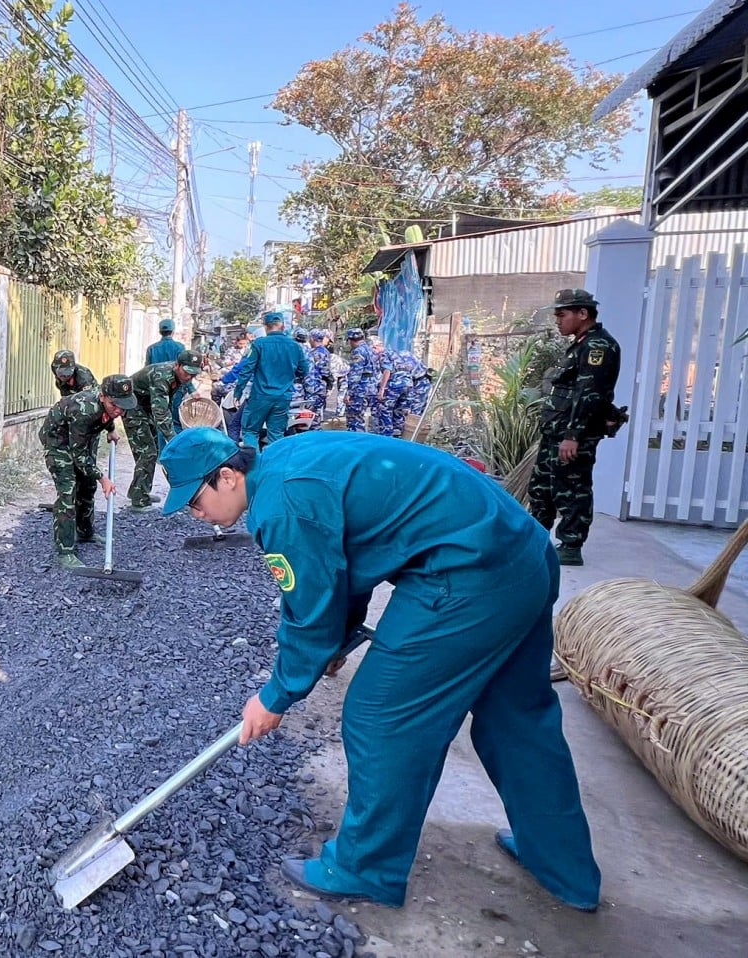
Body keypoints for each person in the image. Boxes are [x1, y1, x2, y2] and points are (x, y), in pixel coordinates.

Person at [157, 427, 601, 913]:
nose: (195, 515)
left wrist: (277, 694)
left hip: (467, 574)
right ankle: (563, 865)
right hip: (520, 552)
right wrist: (338, 639)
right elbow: (349, 562)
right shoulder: (285, 458)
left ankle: (367, 868)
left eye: (195, 501)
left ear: (226, 476)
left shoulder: (281, 505)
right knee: (517, 718)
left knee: (381, 716)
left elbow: (310, 607)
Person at [528, 288, 621, 567]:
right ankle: (534, 538)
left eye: (562, 314)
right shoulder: (580, 344)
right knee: (541, 486)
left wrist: (573, 436)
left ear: (583, 314)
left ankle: (570, 545)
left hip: (572, 436)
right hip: (556, 432)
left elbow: (588, 394)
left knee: (571, 488)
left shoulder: (597, 347)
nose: (558, 320)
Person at [39, 375, 137, 567]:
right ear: (102, 396)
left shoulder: (106, 405)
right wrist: (103, 478)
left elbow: (106, 415)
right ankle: (64, 551)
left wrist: (110, 429)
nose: (119, 410)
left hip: (78, 439)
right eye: (114, 405)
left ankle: (85, 532)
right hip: (58, 442)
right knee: (68, 492)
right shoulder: (84, 411)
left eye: (123, 406)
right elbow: (78, 455)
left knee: (87, 486)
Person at [123, 350, 202, 510]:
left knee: (153, 450)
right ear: (177, 366)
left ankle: (140, 491)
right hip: (132, 407)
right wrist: (174, 439)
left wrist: (192, 390)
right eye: (186, 373)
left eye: (192, 375)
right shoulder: (161, 376)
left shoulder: (181, 376)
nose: (188, 377)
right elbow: (161, 412)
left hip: (145, 408)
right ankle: (138, 501)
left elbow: (167, 404)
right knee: (147, 453)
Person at [232, 312, 310, 450]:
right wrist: (288, 375)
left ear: (266, 327)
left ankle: (254, 467)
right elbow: (304, 370)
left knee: (250, 432)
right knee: (276, 434)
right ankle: (274, 468)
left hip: (260, 397)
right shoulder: (295, 346)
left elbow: (246, 370)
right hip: (283, 398)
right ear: (283, 326)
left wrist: (237, 393)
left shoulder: (258, 344)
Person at [371, 344, 413, 437]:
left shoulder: (384, 354)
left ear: (376, 347)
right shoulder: (397, 354)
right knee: (399, 411)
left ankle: (387, 435)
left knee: (384, 409)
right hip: (408, 383)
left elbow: (387, 370)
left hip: (396, 383)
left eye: (373, 349)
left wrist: (382, 389)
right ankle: (397, 435)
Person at [343, 328, 374, 432]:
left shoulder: (358, 352)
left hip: (360, 389)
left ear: (351, 340)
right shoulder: (371, 350)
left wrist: (349, 393)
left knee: (354, 419)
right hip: (371, 388)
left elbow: (355, 375)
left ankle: (356, 443)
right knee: (361, 417)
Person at [305, 329, 332, 424]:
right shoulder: (326, 352)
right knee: (317, 416)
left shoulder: (313, 353)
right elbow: (327, 373)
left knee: (311, 418)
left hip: (313, 388)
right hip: (322, 387)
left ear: (312, 338)